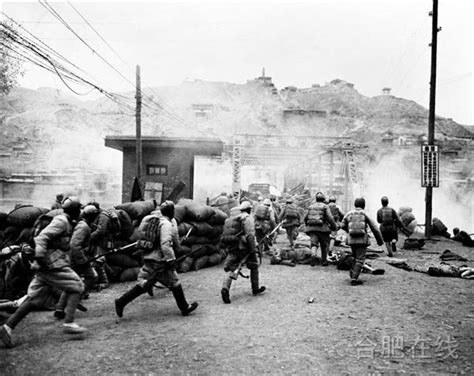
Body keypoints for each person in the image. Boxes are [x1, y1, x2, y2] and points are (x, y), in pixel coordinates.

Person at [0, 197, 87, 348]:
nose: (80, 212)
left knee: (35, 299)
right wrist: (39, 258)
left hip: (48, 264)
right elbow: (42, 238)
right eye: (78, 209)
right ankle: (69, 323)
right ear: (74, 210)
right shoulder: (61, 221)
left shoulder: (66, 221)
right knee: (77, 286)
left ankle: (7, 328)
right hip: (51, 265)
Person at [114, 201, 198, 318]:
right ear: (171, 212)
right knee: (174, 282)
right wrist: (171, 258)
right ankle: (184, 307)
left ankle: (121, 302)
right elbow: (165, 243)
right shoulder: (167, 224)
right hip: (160, 259)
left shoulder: (153, 220)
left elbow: (141, 235)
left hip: (149, 256)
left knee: (146, 282)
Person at [54, 204, 100, 318]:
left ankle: (60, 309)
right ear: (92, 216)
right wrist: (82, 260)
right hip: (76, 258)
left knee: (71, 283)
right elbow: (74, 245)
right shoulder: (83, 226)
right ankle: (73, 301)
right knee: (92, 277)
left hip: (75, 257)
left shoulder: (83, 224)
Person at [220, 201, 266, 304]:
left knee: (231, 267)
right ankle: (255, 288)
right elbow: (250, 235)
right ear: (249, 209)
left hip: (233, 246)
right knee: (254, 266)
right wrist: (253, 249)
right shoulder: (247, 219)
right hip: (244, 248)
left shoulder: (233, 218)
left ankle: (225, 288)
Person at [341, 197, 384, 286]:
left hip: (352, 239)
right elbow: (374, 228)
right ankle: (354, 278)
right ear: (364, 205)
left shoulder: (349, 213)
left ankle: (353, 274)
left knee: (355, 257)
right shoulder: (365, 214)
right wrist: (379, 240)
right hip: (362, 240)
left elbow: (342, 225)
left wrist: (349, 230)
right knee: (360, 259)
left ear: (355, 204)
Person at [304, 192, 338, 267]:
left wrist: (308, 226)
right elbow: (330, 218)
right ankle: (324, 261)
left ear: (316, 199)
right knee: (324, 245)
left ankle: (313, 255)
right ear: (323, 199)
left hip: (312, 228)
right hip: (323, 228)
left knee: (314, 244)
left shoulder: (311, 206)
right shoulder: (325, 206)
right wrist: (334, 227)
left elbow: (305, 218)